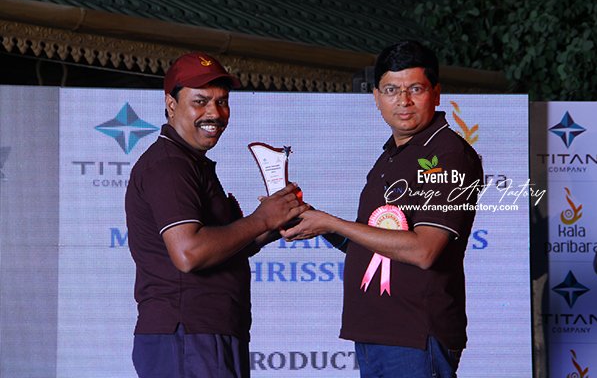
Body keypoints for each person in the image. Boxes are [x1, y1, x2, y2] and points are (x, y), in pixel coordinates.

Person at [282, 40, 483, 378]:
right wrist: (312, 218)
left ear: (436, 93)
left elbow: (424, 250)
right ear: (376, 97)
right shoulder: (392, 155)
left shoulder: (447, 154)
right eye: (391, 90)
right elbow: (371, 245)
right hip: (375, 332)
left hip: (415, 335)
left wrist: (332, 222)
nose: (403, 101)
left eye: (415, 89)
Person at [125, 52, 308, 378]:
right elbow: (189, 253)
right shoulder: (170, 165)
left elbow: (220, 248)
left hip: (205, 334)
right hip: (188, 336)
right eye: (200, 101)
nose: (214, 113)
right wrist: (262, 219)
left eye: (222, 102)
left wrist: (275, 223)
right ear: (171, 104)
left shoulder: (190, 163)